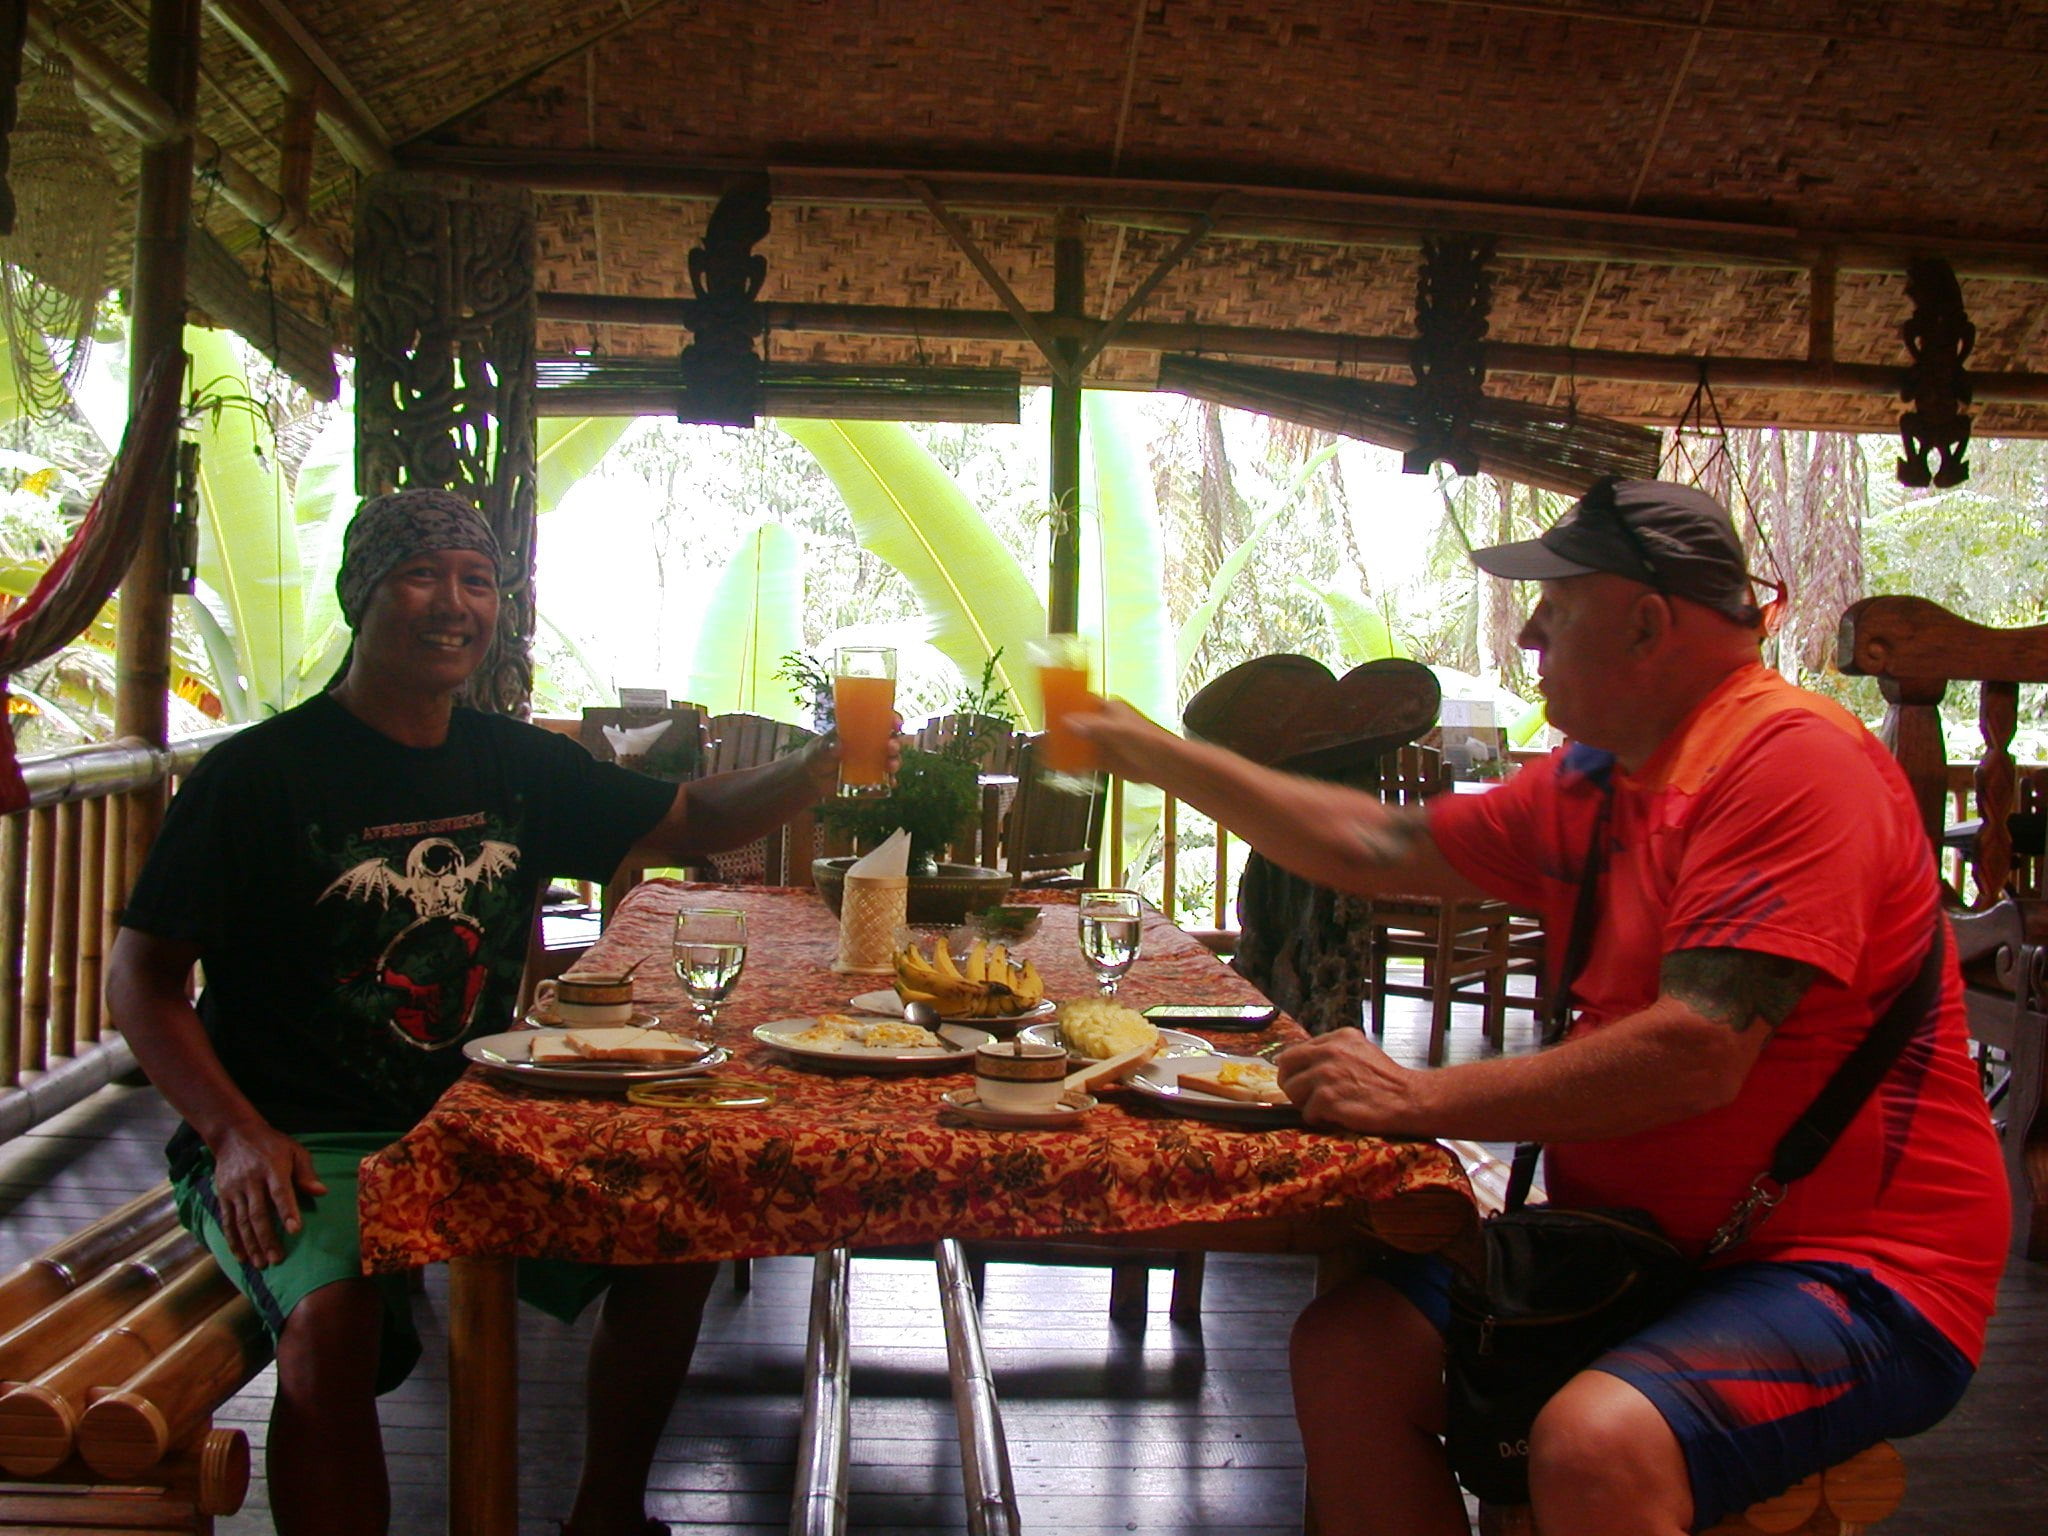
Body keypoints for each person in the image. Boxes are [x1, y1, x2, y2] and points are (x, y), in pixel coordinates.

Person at [1069, 478, 2008, 1536]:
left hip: (1859, 1273)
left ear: (1644, 623)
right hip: (1636, 1249)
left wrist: (1419, 1097)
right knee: (1347, 1355)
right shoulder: (1601, 779)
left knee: (1595, 1444)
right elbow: (1380, 843)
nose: (1526, 633)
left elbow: (1699, 1050)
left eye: (1554, 607)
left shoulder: (1791, 762)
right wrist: (1156, 751)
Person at [105, 488, 872, 1536]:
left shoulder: (516, 764)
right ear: (361, 596)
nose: (453, 603)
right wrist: (234, 1134)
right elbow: (142, 981)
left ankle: (606, 1517)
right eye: (420, 575)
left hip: (477, 1116)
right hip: (297, 1135)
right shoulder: (257, 776)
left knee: (678, 1233)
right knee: (329, 1333)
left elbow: (691, 816)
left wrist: (817, 767)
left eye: (477, 581)